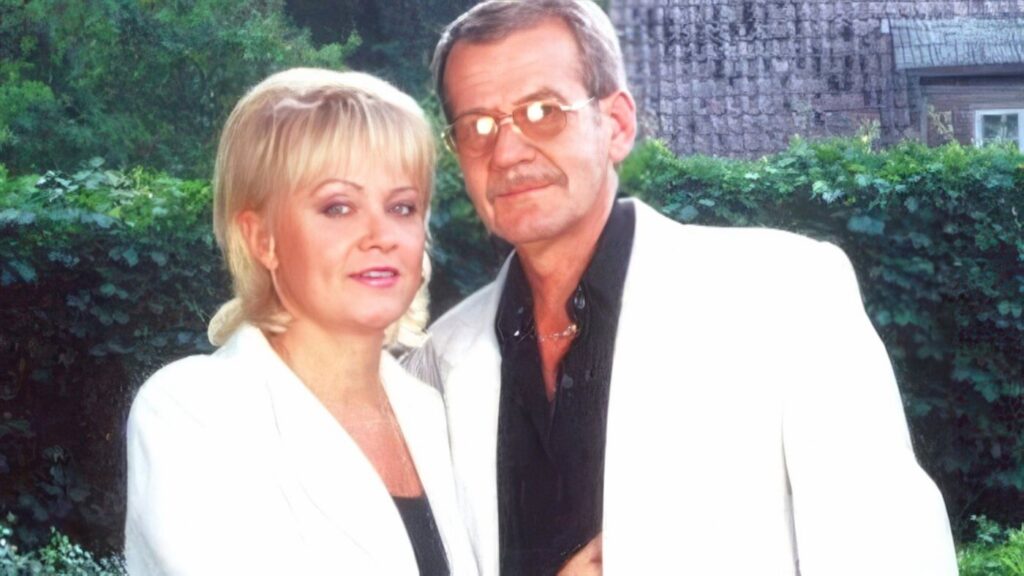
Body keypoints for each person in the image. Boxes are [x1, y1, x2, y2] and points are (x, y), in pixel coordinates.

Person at [410, 1, 960, 574]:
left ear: (617, 125)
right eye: (476, 125)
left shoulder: (784, 297)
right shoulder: (435, 366)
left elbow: (896, 557)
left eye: (543, 111)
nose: (506, 152)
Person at [124, 68, 477, 575]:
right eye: (339, 207)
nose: (381, 235)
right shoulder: (193, 412)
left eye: (402, 206)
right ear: (261, 238)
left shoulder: (435, 413)